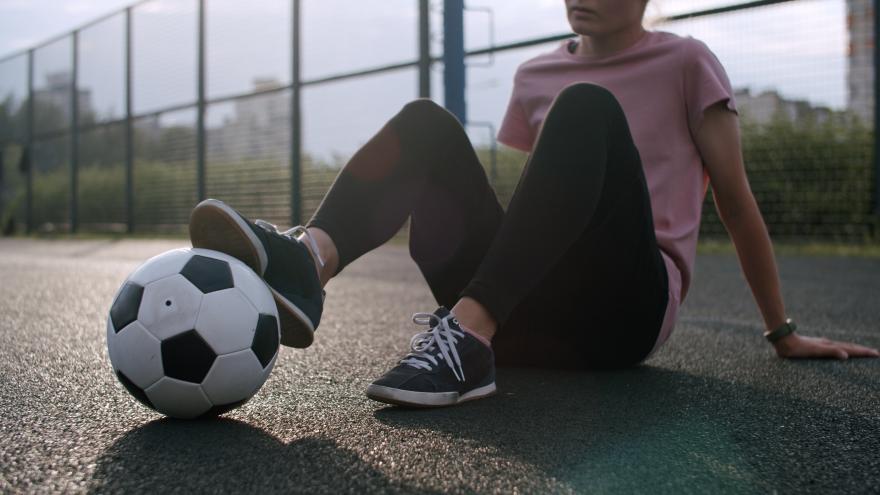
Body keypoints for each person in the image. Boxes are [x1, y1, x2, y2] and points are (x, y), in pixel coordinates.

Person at [188, 0, 879, 408]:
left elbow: (736, 201)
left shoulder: (688, 63)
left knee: (588, 108)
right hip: (530, 311)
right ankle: (308, 261)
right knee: (427, 121)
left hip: (623, 314)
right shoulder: (536, 71)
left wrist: (781, 330)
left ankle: (465, 337)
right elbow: (541, 206)